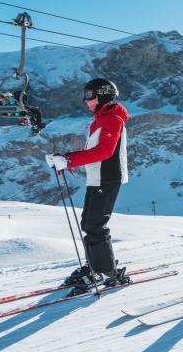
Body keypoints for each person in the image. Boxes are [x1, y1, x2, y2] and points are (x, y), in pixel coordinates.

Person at [45, 78, 130, 294]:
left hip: (108, 178)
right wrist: (64, 159)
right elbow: (94, 152)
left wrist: (70, 160)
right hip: (96, 178)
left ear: (102, 95)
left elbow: (105, 152)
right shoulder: (100, 119)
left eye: (90, 96)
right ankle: (95, 267)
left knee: (96, 225)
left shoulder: (112, 119)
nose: (86, 101)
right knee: (88, 224)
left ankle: (107, 272)